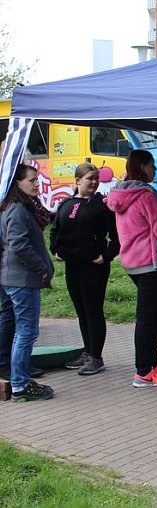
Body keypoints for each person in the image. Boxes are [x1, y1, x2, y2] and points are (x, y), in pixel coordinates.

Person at [106, 149, 157, 388]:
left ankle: (153, 362)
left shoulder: (120, 193)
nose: (155, 170)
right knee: (147, 316)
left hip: (132, 260)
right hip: (149, 261)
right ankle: (143, 372)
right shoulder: (147, 196)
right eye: (152, 165)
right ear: (142, 167)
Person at [50, 163, 120, 376]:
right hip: (73, 265)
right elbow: (55, 231)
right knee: (81, 310)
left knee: (93, 310)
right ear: (77, 180)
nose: (94, 182)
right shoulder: (66, 204)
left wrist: (105, 256)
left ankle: (96, 357)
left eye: (96, 178)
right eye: (89, 178)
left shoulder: (102, 205)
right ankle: (87, 351)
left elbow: (118, 237)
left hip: (94, 266)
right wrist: (56, 250)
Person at [0, 164, 55, 401]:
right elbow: (19, 245)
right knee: (26, 331)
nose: (36, 184)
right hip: (22, 279)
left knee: (14, 326)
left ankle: (14, 374)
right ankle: (21, 383)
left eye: (36, 179)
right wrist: (42, 268)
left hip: (11, 276)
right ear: (17, 183)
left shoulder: (16, 207)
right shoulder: (18, 209)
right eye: (31, 180)